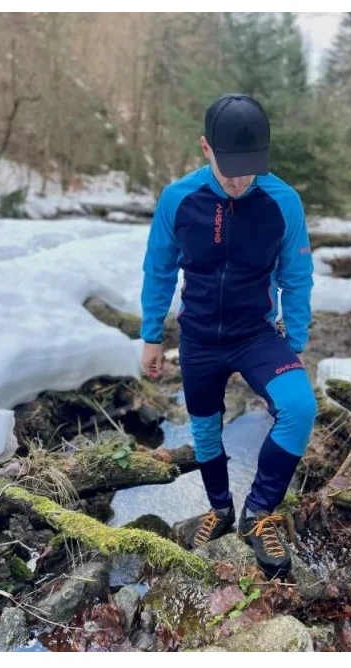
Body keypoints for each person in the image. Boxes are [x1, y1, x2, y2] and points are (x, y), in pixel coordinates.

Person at [139, 93, 316, 578]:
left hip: (256, 333)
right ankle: (218, 508)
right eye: (229, 168)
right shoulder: (179, 199)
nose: (239, 180)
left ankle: (257, 513)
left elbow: (296, 275)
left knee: (299, 407)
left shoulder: (283, 201)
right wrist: (151, 335)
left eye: (249, 168)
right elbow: (159, 268)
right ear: (205, 148)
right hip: (198, 337)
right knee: (204, 428)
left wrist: (295, 342)